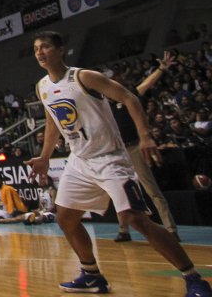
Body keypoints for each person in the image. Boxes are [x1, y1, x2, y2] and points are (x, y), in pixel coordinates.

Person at [27, 31, 212, 296]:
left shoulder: (83, 77)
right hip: (79, 160)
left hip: (110, 158)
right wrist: (44, 156)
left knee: (137, 219)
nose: (40, 53)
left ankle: (194, 279)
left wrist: (145, 136)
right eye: (36, 49)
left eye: (45, 47)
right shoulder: (42, 86)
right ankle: (91, 275)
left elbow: (130, 98)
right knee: (66, 218)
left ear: (61, 49)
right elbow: (51, 121)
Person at [111, 51, 180, 241]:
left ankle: (171, 228)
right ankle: (123, 230)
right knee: (119, 191)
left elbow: (147, 83)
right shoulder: (104, 106)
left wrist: (161, 69)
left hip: (134, 148)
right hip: (118, 151)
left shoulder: (129, 97)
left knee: (151, 190)